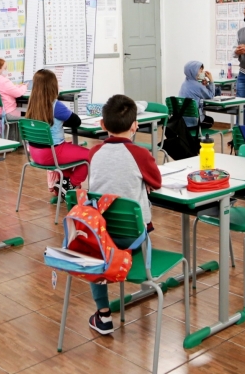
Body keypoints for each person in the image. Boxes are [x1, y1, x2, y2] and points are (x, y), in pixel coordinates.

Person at [87, 94, 162, 335]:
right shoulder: (140, 154)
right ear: (135, 126)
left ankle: (103, 315)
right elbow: (157, 183)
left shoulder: (94, 153)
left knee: (95, 260)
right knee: (139, 218)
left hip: (100, 237)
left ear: (102, 125)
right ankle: (145, 282)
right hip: (135, 240)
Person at [25, 69, 89, 196]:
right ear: (53, 86)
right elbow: (76, 121)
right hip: (52, 153)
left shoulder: (32, 104)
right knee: (89, 155)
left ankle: (62, 185)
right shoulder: (56, 105)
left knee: (70, 153)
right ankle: (71, 183)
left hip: (34, 153)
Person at [179, 60, 215, 129]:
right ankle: (198, 136)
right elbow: (211, 96)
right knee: (210, 120)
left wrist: (205, 85)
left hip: (182, 120)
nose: (202, 73)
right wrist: (211, 81)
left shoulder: (184, 83)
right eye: (200, 71)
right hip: (194, 121)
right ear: (193, 71)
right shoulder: (198, 86)